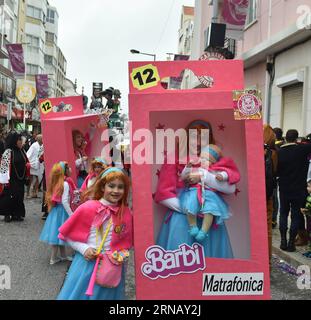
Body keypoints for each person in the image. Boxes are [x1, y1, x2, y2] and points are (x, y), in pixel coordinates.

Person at [154, 120, 237, 258]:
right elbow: (163, 194)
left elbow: (230, 187)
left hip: (209, 219)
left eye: (202, 137)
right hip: (183, 220)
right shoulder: (174, 158)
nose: (198, 142)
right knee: (180, 264)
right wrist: (190, 208)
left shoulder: (215, 158)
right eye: (194, 137)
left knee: (211, 265)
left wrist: (203, 177)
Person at [57, 167, 132, 300]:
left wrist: (121, 256)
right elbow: (67, 235)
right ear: (103, 187)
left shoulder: (125, 213)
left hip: (111, 269)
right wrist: (84, 249)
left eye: (120, 187)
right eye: (111, 186)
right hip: (87, 266)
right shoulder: (88, 207)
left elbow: (125, 242)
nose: (116, 191)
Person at [180, 144, 240, 242]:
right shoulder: (197, 168)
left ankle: (203, 231)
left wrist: (222, 176)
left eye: (207, 159)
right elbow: (184, 176)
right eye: (202, 158)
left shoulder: (214, 171)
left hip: (209, 194)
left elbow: (226, 173)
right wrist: (187, 167)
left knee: (210, 210)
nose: (203, 161)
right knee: (191, 205)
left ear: (213, 162)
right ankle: (193, 226)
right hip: (195, 191)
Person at [277, 129, 311, 252]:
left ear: (286, 138)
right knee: (296, 215)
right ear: (297, 138)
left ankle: (283, 241)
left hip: (284, 187)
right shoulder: (302, 149)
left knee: (283, 213)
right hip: (299, 188)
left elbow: (277, 170)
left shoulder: (280, 152)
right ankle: (291, 242)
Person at [39, 161, 75, 264]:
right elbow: (64, 201)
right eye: (68, 168)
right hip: (62, 211)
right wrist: (71, 214)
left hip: (55, 211)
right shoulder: (66, 183)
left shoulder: (58, 182)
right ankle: (53, 258)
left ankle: (62, 255)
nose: (70, 170)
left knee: (57, 233)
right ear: (65, 171)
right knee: (60, 233)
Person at [0, 131, 29, 222]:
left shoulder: (22, 150)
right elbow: (3, 167)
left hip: (20, 179)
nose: (21, 141)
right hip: (10, 179)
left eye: (21, 140)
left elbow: (26, 161)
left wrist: (27, 172)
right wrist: (5, 180)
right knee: (9, 197)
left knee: (19, 196)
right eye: (19, 140)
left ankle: (17, 214)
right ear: (14, 141)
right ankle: (7, 214)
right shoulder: (8, 152)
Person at [263, 124, 278, 265]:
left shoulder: (254, 150)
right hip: (267, 195)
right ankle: (266, 260)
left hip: (253, 194)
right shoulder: (273, 153)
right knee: (267, 228)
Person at [26, 134, 43, 198]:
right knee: (30, 179)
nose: (43, 140)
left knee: (39, 178)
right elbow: (28, 154)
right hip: (32, 164)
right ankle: (28, 193)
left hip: (39, 164)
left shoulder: (43, 145)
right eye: (41, 139)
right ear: (38, 139)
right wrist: (27, 162)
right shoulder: (34, 145)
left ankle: (35, 192)